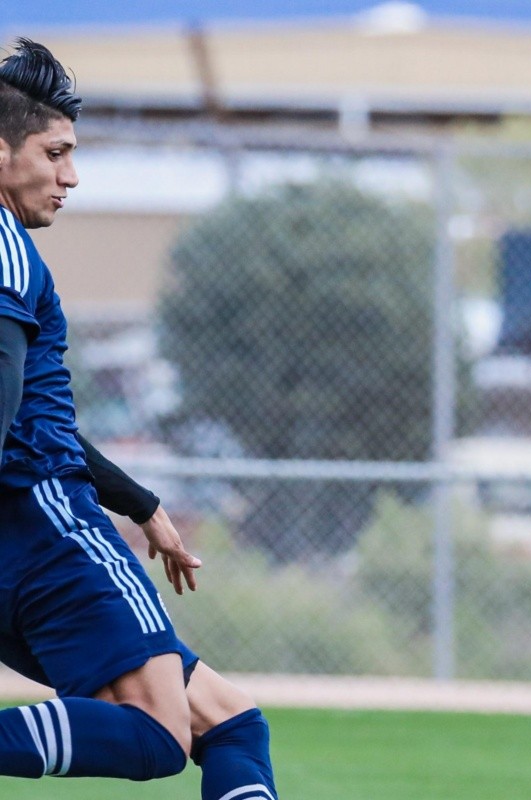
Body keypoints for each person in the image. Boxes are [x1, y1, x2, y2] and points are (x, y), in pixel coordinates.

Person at [0, 37, 278, 799]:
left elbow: (23, 414)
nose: (71, 176)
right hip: (47, 529)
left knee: (230, 720)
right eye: (56, 152)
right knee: (161, 737)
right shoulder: (9, 252)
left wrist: (142, 504)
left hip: (21, 540)